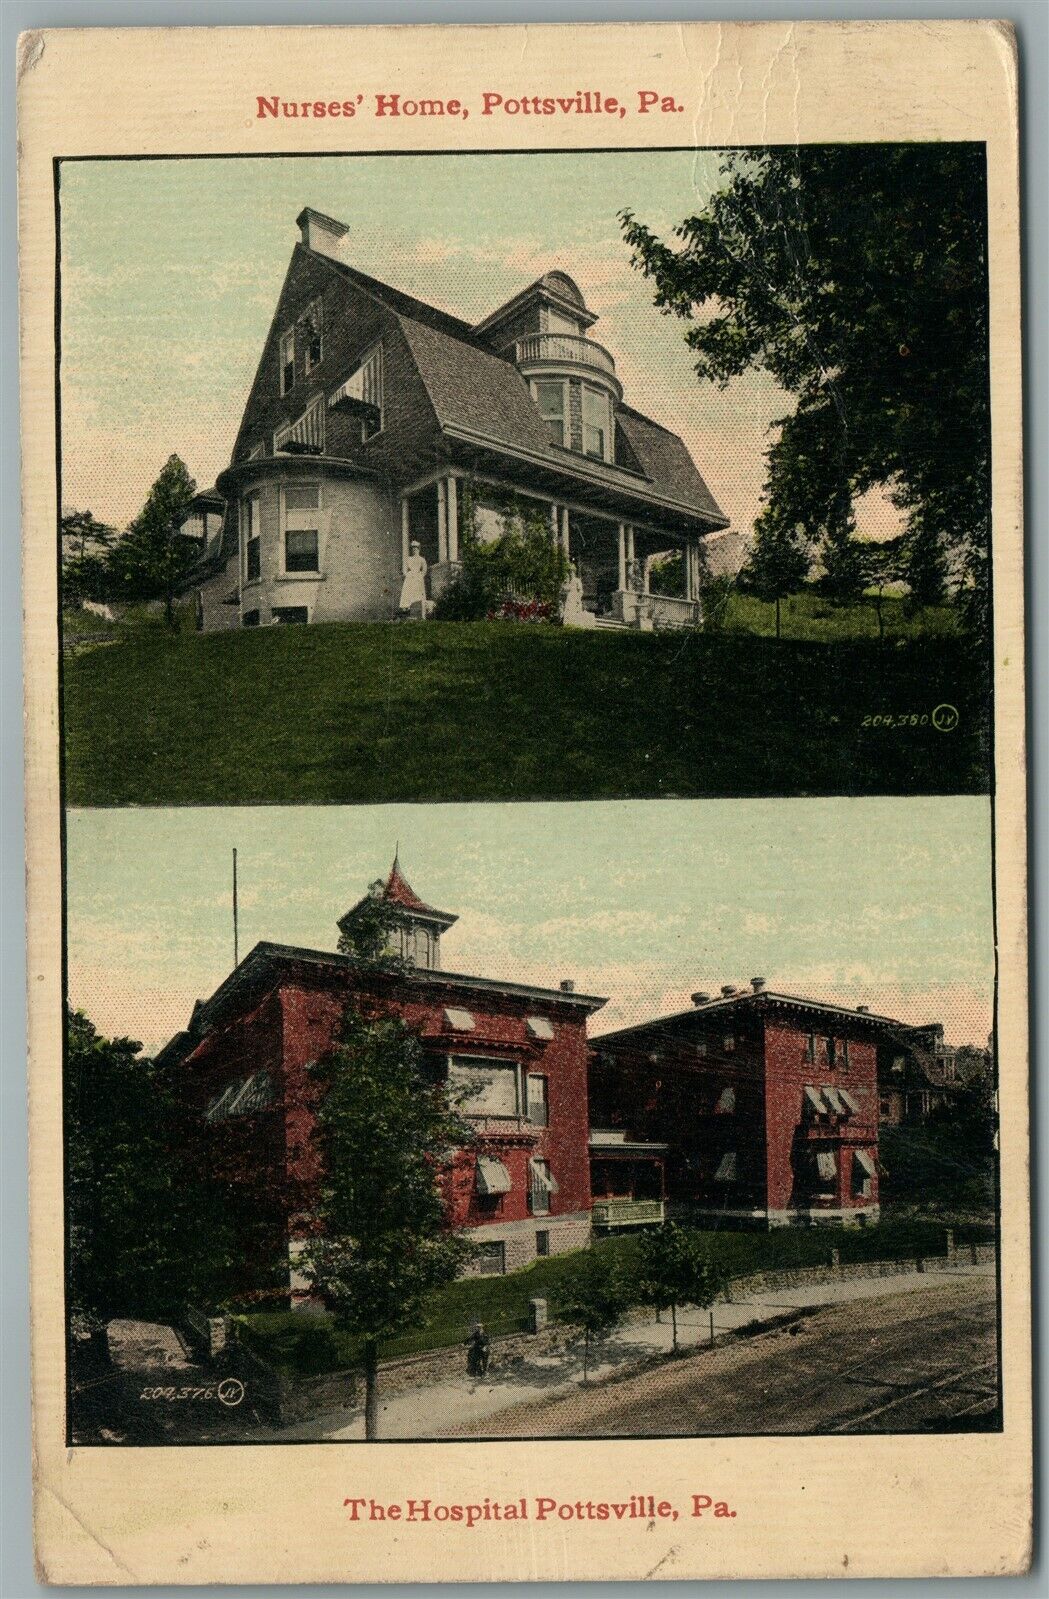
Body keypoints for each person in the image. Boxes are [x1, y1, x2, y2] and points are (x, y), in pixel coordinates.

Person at [398, 540, 428, 617]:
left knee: (417, 592)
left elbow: (424, 570)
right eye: (413, 549)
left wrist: (420, 575)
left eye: (416, 548)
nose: (415, 550)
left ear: (419, 549)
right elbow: (405, 569)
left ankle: (417, 607)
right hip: (410, 577)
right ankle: (407, 609)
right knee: (408, 591)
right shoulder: (409, 559)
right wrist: (407, 574)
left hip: (418, 577)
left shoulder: (422, 559)